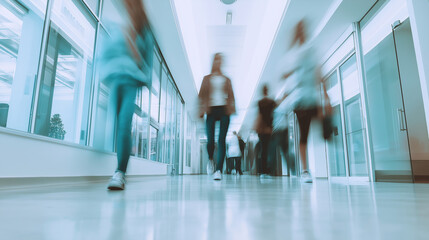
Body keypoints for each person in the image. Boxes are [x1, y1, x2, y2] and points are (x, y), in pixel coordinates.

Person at [99, 0, 154, 190]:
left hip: (131, 81)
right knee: (116, 126)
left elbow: (148, 65)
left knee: (124, 124)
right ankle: (119, 170)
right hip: (115, 80)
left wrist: (133, 46)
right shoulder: (115, 25)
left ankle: (119, 172)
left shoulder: (144, 31)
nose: (128, 5)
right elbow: (105, 55)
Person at [278, 19, 331, 183]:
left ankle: (327, 134)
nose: (302, 32)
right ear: (296, 32)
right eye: (299, 29)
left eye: (303, 28)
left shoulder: (312, 49)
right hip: (299, 100)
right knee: (304, 134)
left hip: (312, 97)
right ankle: (305, 170)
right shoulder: (291, 55)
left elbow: (318, 72)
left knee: (325, 127)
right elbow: (284, 76)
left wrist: (326, 96)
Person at [199, 53, 236, 181]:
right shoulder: (206, 79)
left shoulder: (227, 79)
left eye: (221, 60)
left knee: (221, 140)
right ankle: (210, 159)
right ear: (213, 62)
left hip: (224, 110)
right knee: (210, 140)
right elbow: (201, 95)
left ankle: (219, 170)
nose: (219, 62)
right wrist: (201, 110)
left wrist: (232, 109)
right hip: (211, 110)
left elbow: (231, 96)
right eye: (217, 60)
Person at [254, 85, 276, 179]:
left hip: (261, 129)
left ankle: (263, 171)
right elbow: (274, 114)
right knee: (269, 149)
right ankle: (269, 170)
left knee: (263, 150)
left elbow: (259, 115)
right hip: (269, 129)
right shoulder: (272, 102)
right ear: (268, 91)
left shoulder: (259, 102)